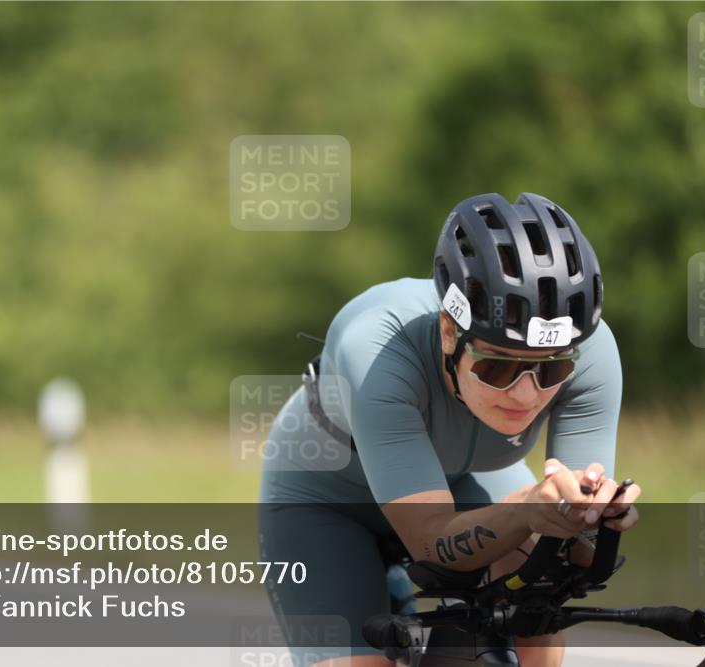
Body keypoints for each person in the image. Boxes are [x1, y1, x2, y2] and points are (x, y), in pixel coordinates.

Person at [258, 192, 642, 667]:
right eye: (498, 368)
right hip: (326, 501)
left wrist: (591, 523)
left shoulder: (592, 350)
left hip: (463, 483)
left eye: (551, 369)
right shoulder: (374, 351)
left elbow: (572, 550)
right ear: (448, 332)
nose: (526, 395)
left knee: (538, 602)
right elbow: (433, 542)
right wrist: (528, 507)